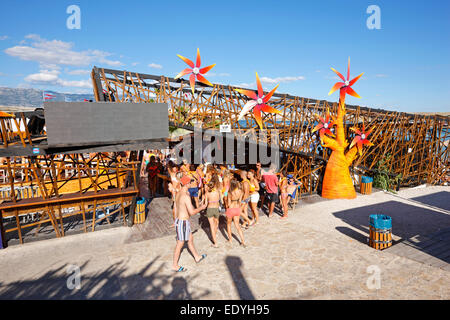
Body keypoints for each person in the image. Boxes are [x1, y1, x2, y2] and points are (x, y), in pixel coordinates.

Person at [172, 175, 208, 272]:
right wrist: (202, 207)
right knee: (180, 243)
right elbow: (192, 212)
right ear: (187, 184)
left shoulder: (179, 193)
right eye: (190, 182)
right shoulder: (185, 196)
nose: (191, 183)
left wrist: (175, 220)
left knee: (190, 239)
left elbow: (175, 207)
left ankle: (197, 257)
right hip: (183, 222)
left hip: (181, 221)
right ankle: (175, 265)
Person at [225, 179, 246, 247]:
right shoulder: (240, 191)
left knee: (228, 225)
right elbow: (240, 201)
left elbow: (228, 204)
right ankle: (243, 241)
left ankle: (230, 239)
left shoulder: (229, 193)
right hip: (237, 208)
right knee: (237, 226)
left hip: (231, 209)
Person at [205, 174, 221, 248]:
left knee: (211, 225)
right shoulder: (217, 192)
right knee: (216, 222)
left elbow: (205, 204)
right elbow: (220, 200)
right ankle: (215, 234)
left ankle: (215, 243)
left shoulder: (207, 194)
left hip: (210, 209)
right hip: (216, 208)